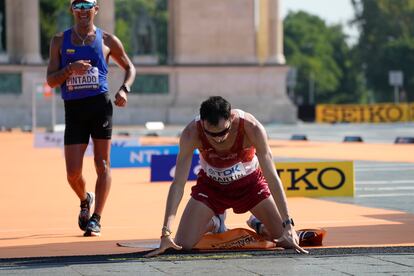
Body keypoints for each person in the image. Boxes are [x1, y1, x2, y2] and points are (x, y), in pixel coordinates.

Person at [146, 96, 308, 257]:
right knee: (182, 245)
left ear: (231, 118)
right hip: (211, 188)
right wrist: (165, 232)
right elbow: (178, 184)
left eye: (223, 131)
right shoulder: (191, 133)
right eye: (211, 134)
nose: (218, 138)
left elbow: (272, 177)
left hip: (251, 187)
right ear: (202, 123)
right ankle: (216, 221)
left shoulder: (252, 128)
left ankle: (257, 223)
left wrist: (288, 224)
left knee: (287, 241)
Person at [46, 0, 136, 236]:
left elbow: (130, 67)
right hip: (74, 109)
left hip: (100, 106)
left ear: (96, 9)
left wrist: (124, 89)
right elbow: (51, 80)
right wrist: (69, 70)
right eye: (78, 6)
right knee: (72, 173)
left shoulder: (107, 40)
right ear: (72, 10)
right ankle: (86, 199)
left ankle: (96, 218)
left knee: (102, 164)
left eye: (88, 6)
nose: (83, 11)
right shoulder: (59, 41)